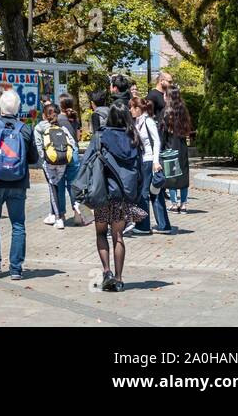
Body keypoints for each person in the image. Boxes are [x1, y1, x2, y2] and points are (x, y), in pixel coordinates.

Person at [82, 105, 145, 292]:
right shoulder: (134, 139)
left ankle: (107, 271)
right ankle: (118, 278)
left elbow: (87, 163)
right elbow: (140, 171)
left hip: (102, 193)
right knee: (118, 236)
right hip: (122, 195)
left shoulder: (100, 137)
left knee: (101, 233)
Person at [0, 88, 39, 281]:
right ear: (18, 108)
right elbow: (33, 158)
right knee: (18, 224)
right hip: (18, 182)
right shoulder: (26, 129)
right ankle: (16, 269)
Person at [34, 103, 77, 231]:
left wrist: (45, 158)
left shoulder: (39, 128)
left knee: (53, 190)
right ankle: (60, 215)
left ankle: (58, 218)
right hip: (62, 162)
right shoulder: (62, 127)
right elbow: (72, 143)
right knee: (60, 187)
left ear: (43, 115)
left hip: (49, 163)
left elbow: (38, 146)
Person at [130, 96, 169, 234]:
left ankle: (143, 226)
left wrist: (156, 161)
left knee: (144, 193)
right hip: (143, 161)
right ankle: (164, 225)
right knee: (154, 193)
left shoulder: (148, 121)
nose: (131, 111)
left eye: (132, 108)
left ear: (138, 108)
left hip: (148, 161)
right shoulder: (138, 122)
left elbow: (156, 141)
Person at [162, 86, 193, 213]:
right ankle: (184, 204)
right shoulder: (184, 111)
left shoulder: (166, 112)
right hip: (182, 146)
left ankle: (174, 204)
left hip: (170, 146)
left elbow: (163, 133)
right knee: (183, 175)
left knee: (172, 176)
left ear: (169, 97)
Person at [58, 93, 87, 226]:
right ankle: (78, 214)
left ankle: (61, 215)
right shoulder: (74, 118)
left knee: (59, 184)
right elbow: (78, 136)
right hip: (73, 152)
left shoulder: (58, 119)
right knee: (73, 185)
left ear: (61, 105)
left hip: (60, 152)